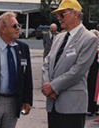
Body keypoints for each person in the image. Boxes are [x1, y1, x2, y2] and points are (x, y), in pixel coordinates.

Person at [41, 0, 98, 128]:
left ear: (75, 14)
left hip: (72, 106)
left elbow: (78, 71)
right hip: (53, 103)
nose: (58, 18)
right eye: (58, 15)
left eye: (62, 14)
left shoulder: (89, 38)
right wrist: (46, 85)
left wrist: (53, 87)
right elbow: (47, 62)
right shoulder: (59, 37)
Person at [87, 29, 99, 117]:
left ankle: (94, 108)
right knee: (89, 89)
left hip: (96, 73)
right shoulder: (87, 47)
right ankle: (89, 107)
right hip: (89, 72)